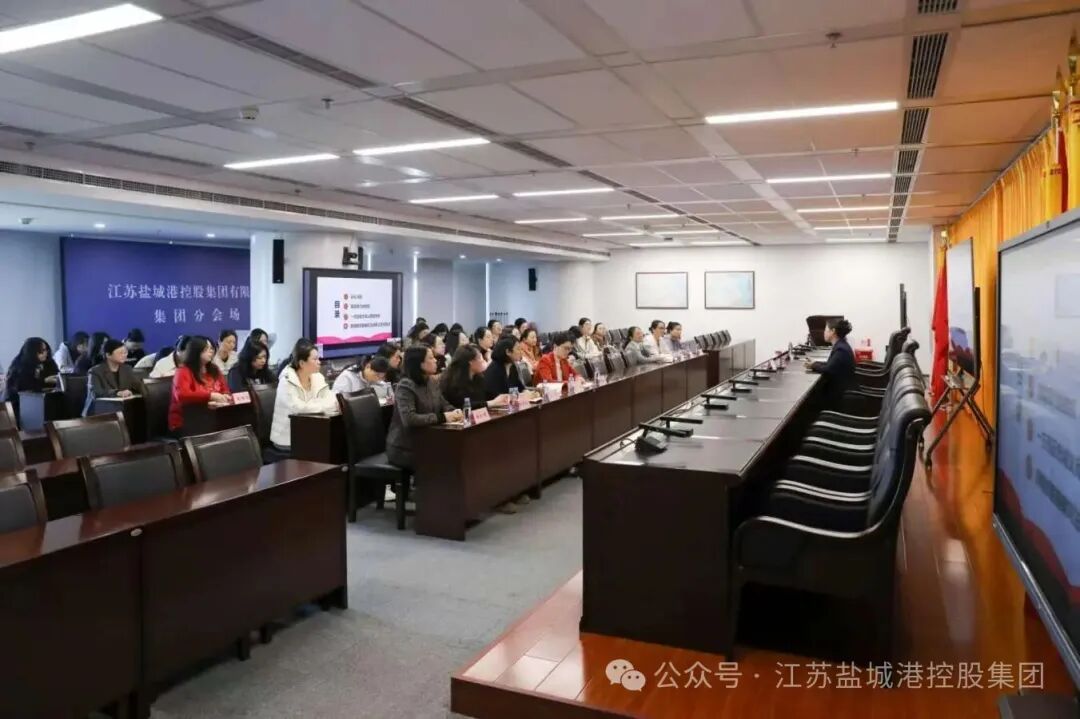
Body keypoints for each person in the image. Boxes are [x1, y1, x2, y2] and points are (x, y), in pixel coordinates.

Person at [386, 346, 462, 471]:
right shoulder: (405, 386)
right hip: (405, 448)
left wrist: (454, 412)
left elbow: (443, 404)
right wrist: (443, 417)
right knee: (448, 459)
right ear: (419, 364)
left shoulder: (431, 381)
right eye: (431, 358)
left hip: (427, 441)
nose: (435, 360)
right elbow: (410, 419)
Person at [270, 339, 338, 452]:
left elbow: (332, 399)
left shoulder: (317, 377)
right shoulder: (287, 381)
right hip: (287, 437)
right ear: (302, 363)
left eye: (318, 358)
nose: (319, 362)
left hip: (310, 432)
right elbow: (298, 408)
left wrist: (318, 404)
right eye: (315, 359)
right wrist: (322, 406)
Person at [167, 336, 231, 435]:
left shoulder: (214, 369)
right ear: (196, 351)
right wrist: (210, 396)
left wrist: (225, 397)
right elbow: (182, 395)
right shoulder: (183, 371)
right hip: (187, 421)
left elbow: (225, 389)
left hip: (212, 416)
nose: (211, 351)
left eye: (211, 348)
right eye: (206, 349)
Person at [3, 339, 60, 420]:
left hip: (44, 401)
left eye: (46, 350)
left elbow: (56, 375)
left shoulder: (49, 362)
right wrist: (44, 381)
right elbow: (23, 387)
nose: (45, 353)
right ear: (32, 352)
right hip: (19, 405)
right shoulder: (20, 366)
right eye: (42, 351)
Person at [806, 318, 856, 407]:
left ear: (833, 331)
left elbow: (828, 369)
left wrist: (813, 365)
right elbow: (831, 365)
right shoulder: (841, 345)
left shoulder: (841, 349)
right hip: (841, 390)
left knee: (809, 400)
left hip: (840, 396)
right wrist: (815, 363)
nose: (823, 333)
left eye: (825, 330)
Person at [84, 339, 140, 415]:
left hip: (121, 408)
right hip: (99, 410)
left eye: (125, 352)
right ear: (108, 355)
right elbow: (96, 392)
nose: (124, 355)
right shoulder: (95, 371)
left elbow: (137, 385)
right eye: (120, 353)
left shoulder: (127, 369)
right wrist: (117, 393)